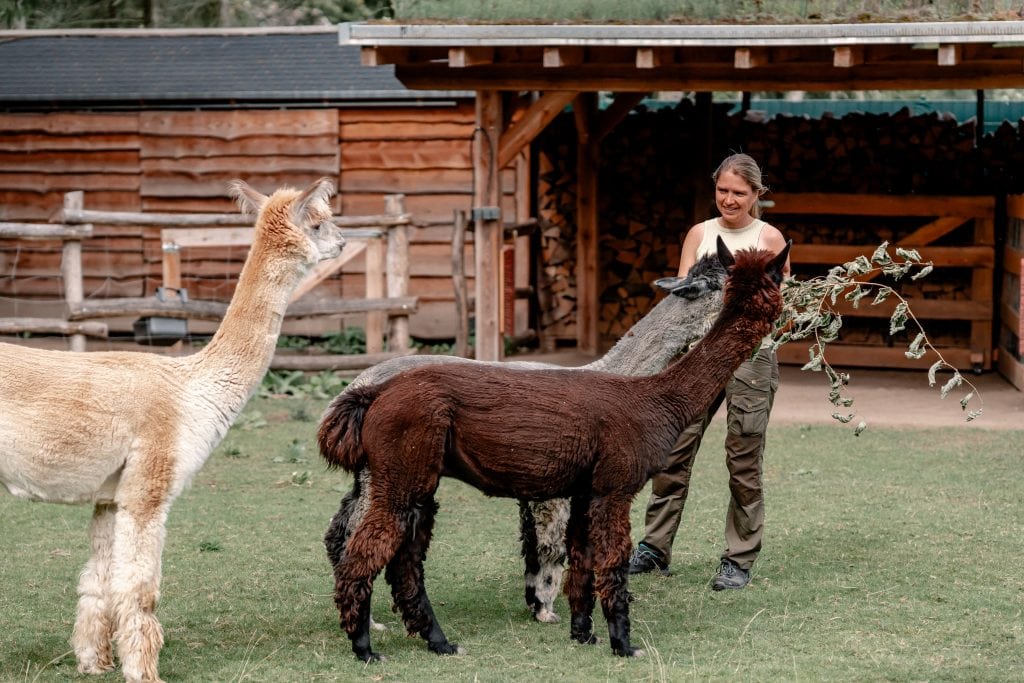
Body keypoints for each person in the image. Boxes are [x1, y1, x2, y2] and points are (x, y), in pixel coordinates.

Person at [628, 152, 790, 590]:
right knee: (672, 452)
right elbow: (681, 298)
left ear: (757, 194)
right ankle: (654, 547)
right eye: (722, 190)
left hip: (749, 359)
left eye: (739, 192)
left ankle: (738, 559)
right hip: (696, 358)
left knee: (743, 458)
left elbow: (777, 304)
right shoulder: (700, 234)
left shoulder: (770, 238)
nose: (729, 199)